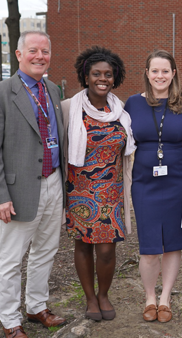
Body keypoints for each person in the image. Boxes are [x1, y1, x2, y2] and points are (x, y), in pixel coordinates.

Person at [0, 31, 66, 338]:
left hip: (53, 183)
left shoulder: (52, 90)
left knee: (46, 251)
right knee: (11, 260)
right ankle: (10, 320)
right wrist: (1, 195)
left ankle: (36, 306)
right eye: (33, 51)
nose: (40, 56)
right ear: (18, 54)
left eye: (45, 51)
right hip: (18, 190)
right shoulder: (3, 92)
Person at [62, 46, 136, 322]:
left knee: (106, 249)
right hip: (80, 190)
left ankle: (104, 294)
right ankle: (90, 298)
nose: (102, 78)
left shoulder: (120, 111)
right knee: (82, 245)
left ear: (115, 77)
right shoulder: (70, 108)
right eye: (96, 74)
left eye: (108, 74)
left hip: (111, 192)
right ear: (86, 75)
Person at [124, 50, 182, 323]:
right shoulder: (132, 103)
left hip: (178, 178)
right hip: (144, 180)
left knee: (173, 243)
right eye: (155, 71)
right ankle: (149, 297)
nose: (160, 76)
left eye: (165, 71)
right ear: (146, 73)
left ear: (173, 73)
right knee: (149, 245)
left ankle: (165, 297)